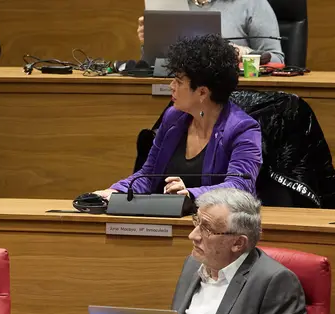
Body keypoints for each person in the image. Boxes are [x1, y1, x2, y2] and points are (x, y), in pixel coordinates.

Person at [95, 35, 262, 200]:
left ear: (202, 92)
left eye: (179, 82)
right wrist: (116, 191)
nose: (171, 87)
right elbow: (148, 174)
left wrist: (191, 195)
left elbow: (240, 187)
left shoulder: (244, 129)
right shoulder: (173, 118)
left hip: (219, 223)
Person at [171, 188, 307, 314]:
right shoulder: (193, 264)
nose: (193, 236)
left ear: (238, 243)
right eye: (196, 223)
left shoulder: (274, 281)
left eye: (206, 229)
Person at [137, 0, 284, 64]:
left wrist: (241, 53)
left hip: (236, 94)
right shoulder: (169, 5)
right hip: (179, 94)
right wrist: (151, 43)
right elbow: (154, 65)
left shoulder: (252, 3)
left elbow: (277, 60)